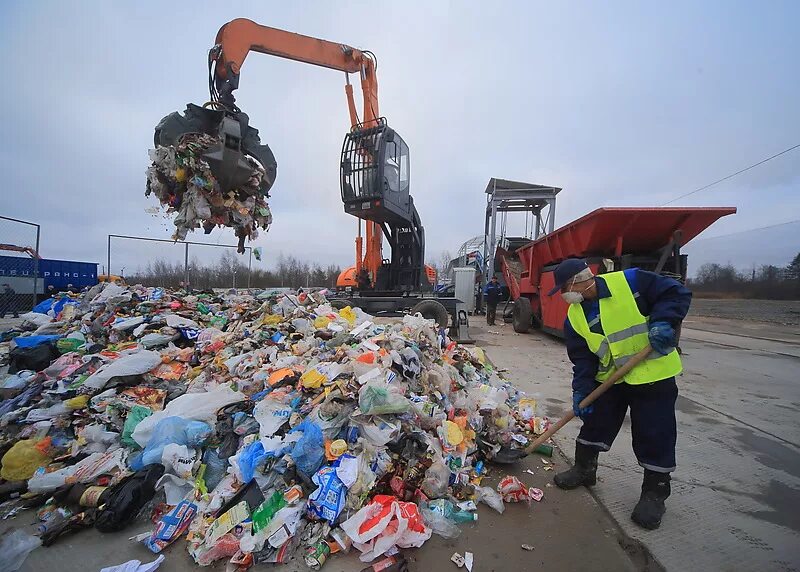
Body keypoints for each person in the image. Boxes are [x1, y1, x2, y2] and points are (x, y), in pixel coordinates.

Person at [549, 258, 691, 530]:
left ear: (580, 280)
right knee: (595, 424)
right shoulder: (575, 316)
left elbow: (675, 293)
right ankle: (584, 470)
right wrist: (581, 389)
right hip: (610, 379)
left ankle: (655, 493)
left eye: (565, 288)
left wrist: (663, 321)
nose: (566, 296)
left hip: (652, 373)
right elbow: (583, 357)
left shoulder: (631, 281)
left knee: (654, 432)